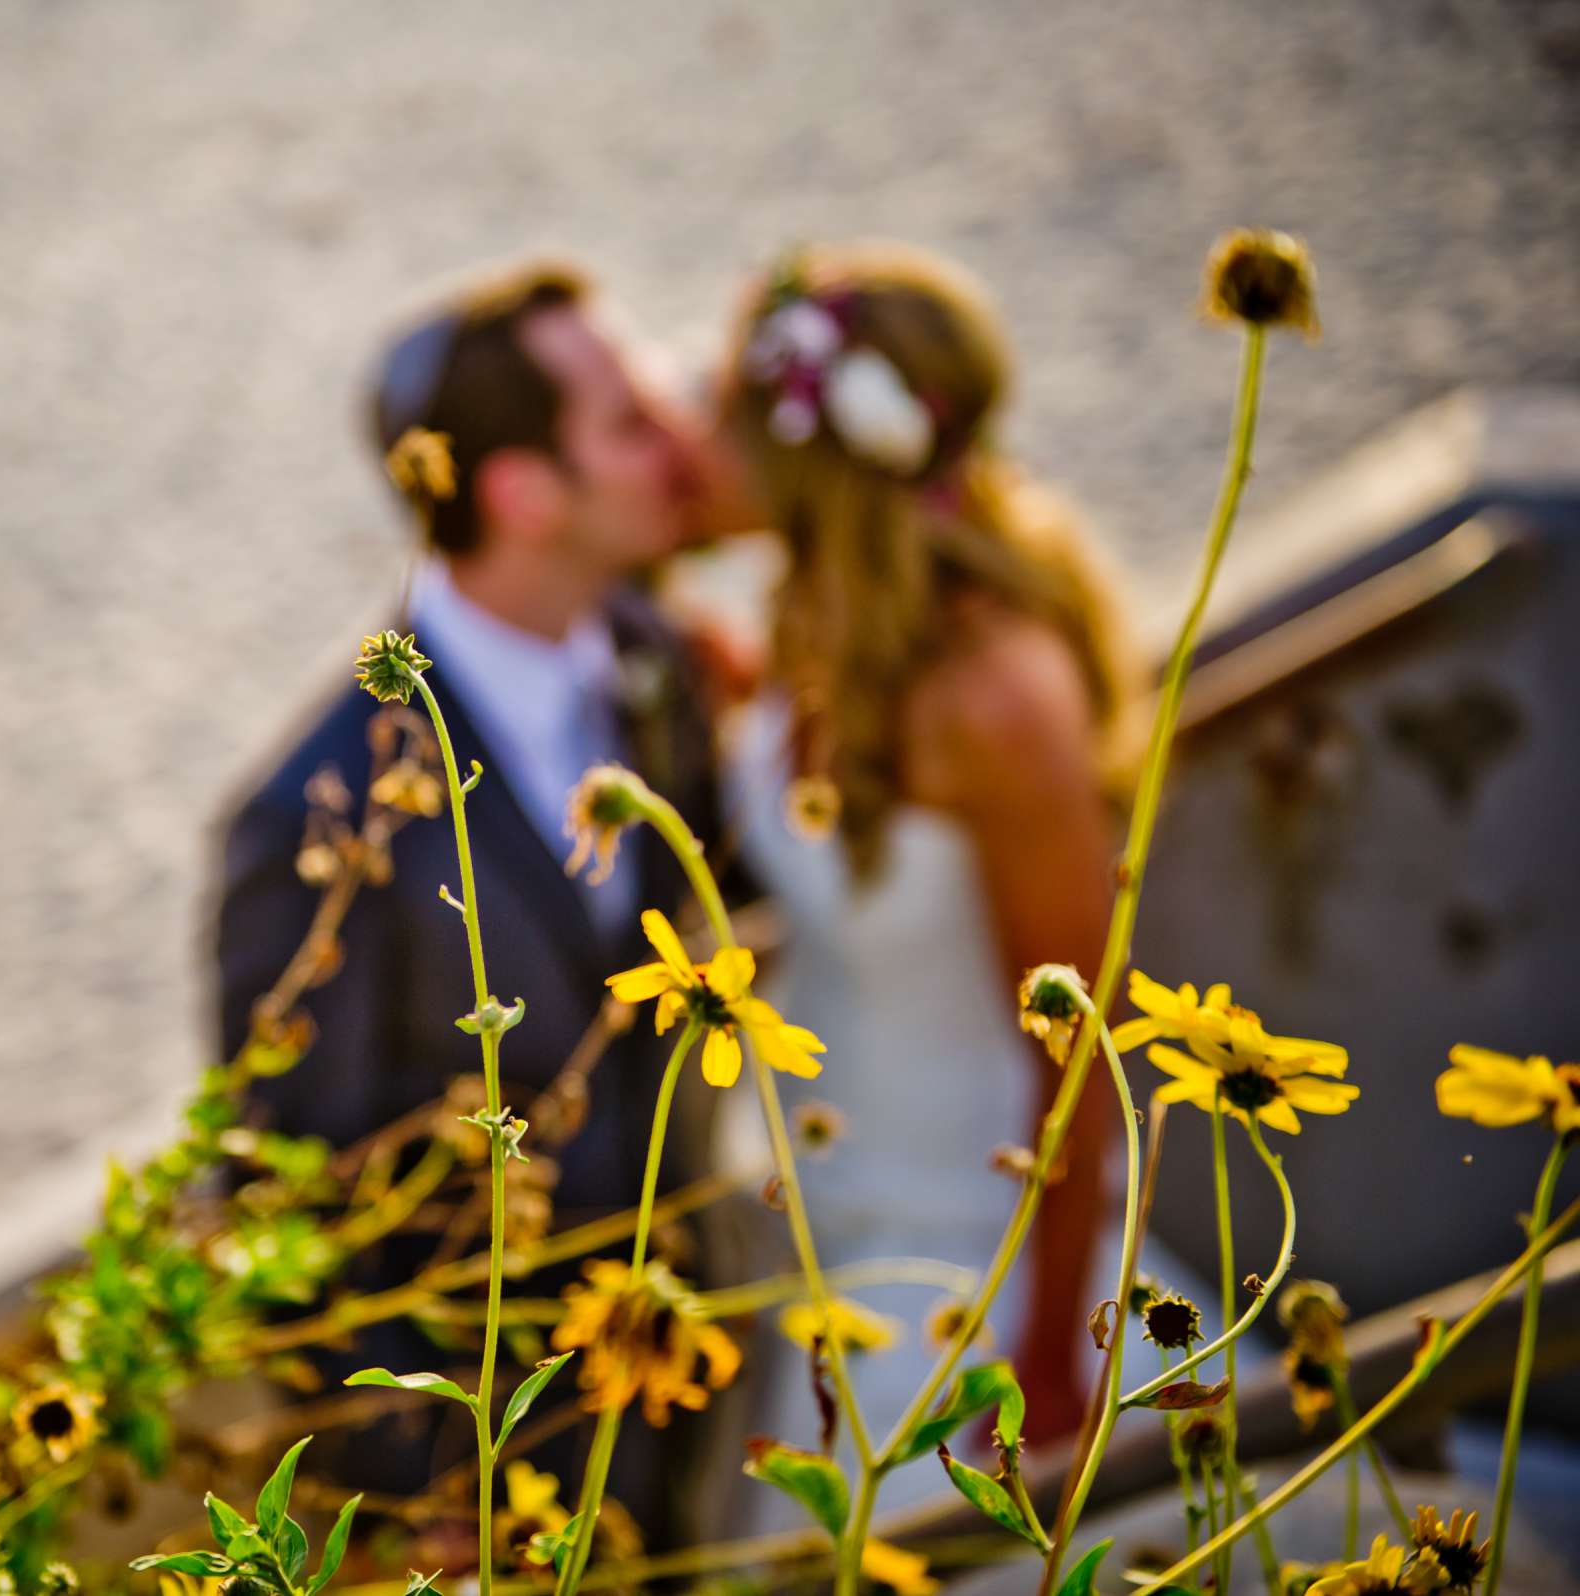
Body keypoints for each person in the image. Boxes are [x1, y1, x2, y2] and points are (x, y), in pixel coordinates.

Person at [212, 260, 725, 1551]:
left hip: (673, 1387)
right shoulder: (306, 822)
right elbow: (287, 1204)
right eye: (625, 421)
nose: (675, 433)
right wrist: (424, 1495)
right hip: (486, 1465)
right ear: (518, 492)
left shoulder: (658, 661)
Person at [698, 242, 1175, 1519]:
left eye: (729, 416)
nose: (708, 438)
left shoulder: (997, 698)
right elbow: (835, 809)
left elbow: (1081, 1054)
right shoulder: (819, 610)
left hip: (976, 1257)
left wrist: (1054, 1364)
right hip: (824, 1199)